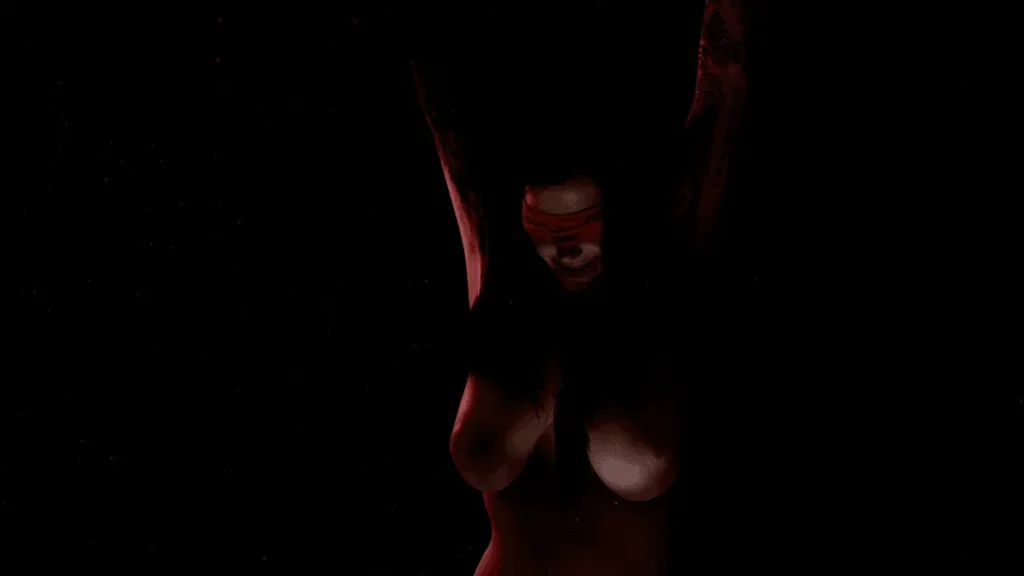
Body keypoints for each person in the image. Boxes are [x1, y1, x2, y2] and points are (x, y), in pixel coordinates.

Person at [413, 2, 748, 574]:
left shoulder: (664, 286)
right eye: (546, 229)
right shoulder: (500, 292)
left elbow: (723, 89)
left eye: (581, 225)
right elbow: (444, 123)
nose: (564, 250)